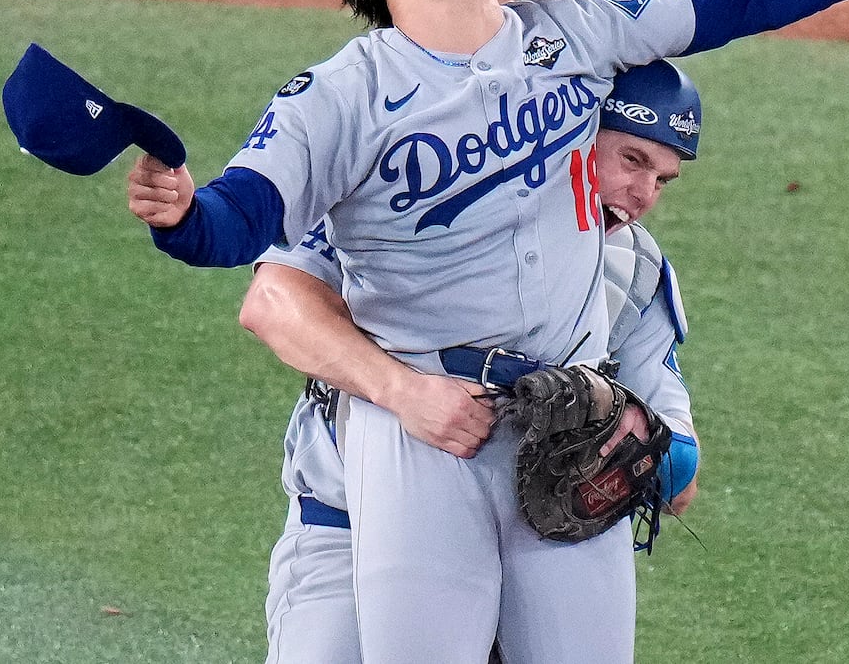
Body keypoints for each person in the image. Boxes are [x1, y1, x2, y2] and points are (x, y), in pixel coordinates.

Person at [127, 0, 849, 662]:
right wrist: (183, 213)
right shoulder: (337, 98)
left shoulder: (577, 33)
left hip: (570, 424)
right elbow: (233, 228)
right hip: (423, 427)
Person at [247, 60, 703, 664]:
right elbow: (272, 304)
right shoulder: (426, 203)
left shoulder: (635, 270)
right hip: (347, 526)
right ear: (568, 133)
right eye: (631, 161)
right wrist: (404, 392)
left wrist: (631, 438)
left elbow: (681, 482)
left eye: (662, 179)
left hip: (532, 545)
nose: (643, 196)